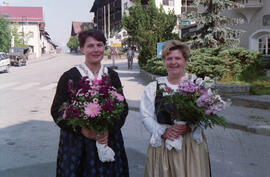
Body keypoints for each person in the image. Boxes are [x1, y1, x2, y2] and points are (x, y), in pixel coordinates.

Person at [51, 29, 129, 177]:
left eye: (99, 45)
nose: (96, 50)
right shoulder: (69, 77)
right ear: (82, 49)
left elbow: (123, 108)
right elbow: (56, 111)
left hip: (108, 139)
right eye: (90, 46)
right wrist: (82, 130)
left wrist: (108, 130)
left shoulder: (112, 75)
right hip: (77, 144)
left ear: (104, 47)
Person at [140, 40, 211, 177]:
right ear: (164, 61)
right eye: (169, 58)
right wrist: (163, 131)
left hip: (190, 145)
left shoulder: (197, 85)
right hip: (163, 143)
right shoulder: (154, 87)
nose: (173, 62)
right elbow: (146, 116)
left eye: (178, 58)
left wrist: (189, 127)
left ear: (185, 60)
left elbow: (206, 114)